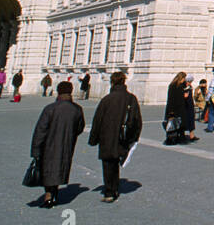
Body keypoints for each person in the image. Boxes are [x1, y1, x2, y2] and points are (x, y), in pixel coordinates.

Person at [88, 72, 142, 203]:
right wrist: (133, 137)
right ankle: (114, 187)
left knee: (108, 163)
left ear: (112, 82)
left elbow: (97, 120)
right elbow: (137, 120)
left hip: (107, 137)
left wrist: (93, 138)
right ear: (124, 82)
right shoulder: (131, 98)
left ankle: (110, 191)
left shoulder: (107, 99)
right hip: (123, 137)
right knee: (116, 161)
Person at [30, 81, 84, 209]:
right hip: (67, 144)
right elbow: (80, 127)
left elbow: (40, 129)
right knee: (59, 167)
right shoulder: (77, 109)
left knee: (48, 168)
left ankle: (49, 195)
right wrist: (70, 135)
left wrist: (35, 149)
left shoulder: (50, 108)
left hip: (48, 144)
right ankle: (54, 192)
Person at [164, 73, 187, 145]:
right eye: (184, 79)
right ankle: (175, 138)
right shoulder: (174, 86)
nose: (184, 80)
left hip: (179, 108)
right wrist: (171, 111)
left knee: (179, 124)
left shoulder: (178, 85)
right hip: (175, 108)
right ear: (181, 78)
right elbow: (171, 99)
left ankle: (179, 138)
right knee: (175, 124)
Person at [181, 75, 197, 142]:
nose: (190, 83)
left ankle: (192, 135)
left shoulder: (189, 87)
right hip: (184, 107)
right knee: (184, 121)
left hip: (190, 106)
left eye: (190, 82)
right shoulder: (182, 88)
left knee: (191, 120)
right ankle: (182, 135)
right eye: (189, 82)